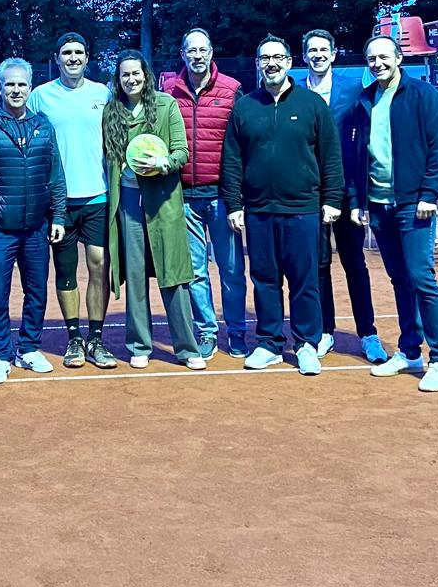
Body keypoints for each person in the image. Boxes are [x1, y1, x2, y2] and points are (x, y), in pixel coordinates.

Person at [221, 34, 343, 374]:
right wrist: (234, 204)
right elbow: (232, 159)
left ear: (289, 62)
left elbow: (330, 156)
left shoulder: (312, 104)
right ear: (258, 63)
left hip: (303, 209)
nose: (271, 63)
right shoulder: (245, 106)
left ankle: (306, 344)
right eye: (265, 58)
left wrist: (332, 199)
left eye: (277, 57)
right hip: (259, 211)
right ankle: (270, 343)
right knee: (265, 279)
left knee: (305, 280)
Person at [347, 35, 438, 393]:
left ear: (398, 59)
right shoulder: (365, 99)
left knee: (421, 278)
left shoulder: (424, 95)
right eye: (371, 58)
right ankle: (410, 351)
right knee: (399, 279)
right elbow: (359, 155)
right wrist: (359, 201)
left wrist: (429, 194)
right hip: (378, 206)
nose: (378, 63)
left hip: (414, 205)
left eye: (384, 57)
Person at [0, 59, 66, 384]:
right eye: (10, 84)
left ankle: (29, 348)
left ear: (30, 87)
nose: (16, 90)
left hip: (36, 228)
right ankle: (0, 355)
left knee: (37, 292)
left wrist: (58, 216)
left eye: (21, 84)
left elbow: (56, 176)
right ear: (0, 87)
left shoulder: (44, 126)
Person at [101, 50, 202, 370]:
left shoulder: (165, 104)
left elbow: (181, 151)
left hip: (163, 201)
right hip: (129, 203)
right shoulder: (111, 112)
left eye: (136, 73)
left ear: (146, 75)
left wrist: (164, 163)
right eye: (125, 75)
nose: (131, 79)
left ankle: (187, 348)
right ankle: (139, 345)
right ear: (118, 79)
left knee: (174, 275)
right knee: (134, 274)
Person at [26, 33, 118, 369]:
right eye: (67, 52)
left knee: (99, 264)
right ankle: (74, 339)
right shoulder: (40, 96)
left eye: (79, 52)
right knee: (65, 270)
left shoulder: (102, 93)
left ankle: (96, 339)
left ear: (87, 57)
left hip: (97, 196)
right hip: (58, 203)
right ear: (57, 57)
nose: (73, 58)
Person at [300, 29, 388, 366]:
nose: (318, 55)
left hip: (348, 192)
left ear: (334, 54)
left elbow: (366, 139)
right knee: (319, 264)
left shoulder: (354, 90)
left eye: (324, 50)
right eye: (312, 50)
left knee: (354, 262)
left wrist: (359, 195)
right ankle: (325, 331)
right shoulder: (297, 92)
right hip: (311, 194)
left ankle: (368, 333)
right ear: (304, 56)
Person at [160, 28, 248, 361]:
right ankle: (207, 332)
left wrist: (238, 196)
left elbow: (242, 143)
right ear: (182, 54)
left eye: (203, 50)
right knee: (196, 271)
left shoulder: (232, 89)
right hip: (183, 197)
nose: (197, 55)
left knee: (231, 270)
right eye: (191, 50)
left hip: (223, 197)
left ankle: (236, 332)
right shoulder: (168, 92)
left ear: (211, 52)